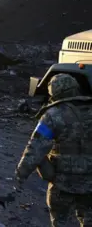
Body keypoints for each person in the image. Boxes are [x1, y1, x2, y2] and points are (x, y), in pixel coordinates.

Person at [15, 73, 92, 227]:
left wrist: (21, 174)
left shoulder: (52, 115)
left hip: (63, 183)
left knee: (60, 221)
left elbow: (35, 148)